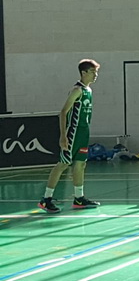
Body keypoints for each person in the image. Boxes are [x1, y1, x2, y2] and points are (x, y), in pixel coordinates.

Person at [38, 59, 101, 213]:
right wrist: (63, 136)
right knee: (63, 164)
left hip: (84, 133)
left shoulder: (88, 90)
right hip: (73, 133)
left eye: (96, 72)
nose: (95, 75)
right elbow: (63, 112)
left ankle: (79, 198)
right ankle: (46, 199)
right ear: (84, 73)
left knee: (80, 164)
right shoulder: (77, 90)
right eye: (93, 72)